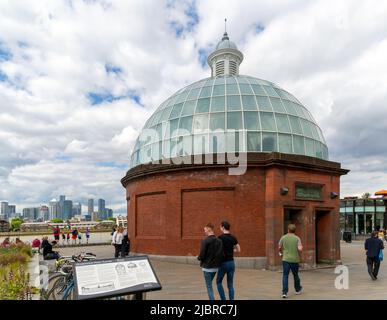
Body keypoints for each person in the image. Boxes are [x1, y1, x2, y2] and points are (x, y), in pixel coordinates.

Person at [197, 223, 224, 300]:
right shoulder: (219, 241)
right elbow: (221, 254)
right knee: (209, 284)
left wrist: (198, 258)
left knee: (209, 286)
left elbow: (202, 255)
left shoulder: (205, 241)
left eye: (205, 229)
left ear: (209, 229)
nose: (204, 231)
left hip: (207, 267)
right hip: (215, 267)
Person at [216, 221, 241, 300]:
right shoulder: (233, 237)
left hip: (223, 263)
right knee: (230, 285)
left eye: (220, 227)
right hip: (231, 263)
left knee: (218, 282)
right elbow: (239, 249)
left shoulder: (220, 238)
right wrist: (233, 250)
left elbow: (217, 250)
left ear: (223, 227)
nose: (220, 228)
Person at [278, 224, 303, 298]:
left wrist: (280, 253)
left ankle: (284, 293)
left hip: (285, 259)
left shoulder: (283, 237)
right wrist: (301, 247)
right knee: (295, 275)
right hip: (295, 260)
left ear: (288, 230)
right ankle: (297, 290)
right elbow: (300, 249)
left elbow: (279, 247)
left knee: (285, 275)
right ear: (294, 230)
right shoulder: (297, 238)